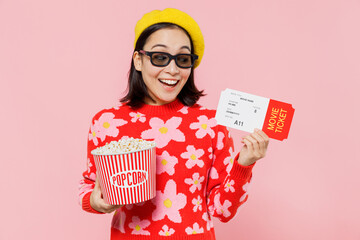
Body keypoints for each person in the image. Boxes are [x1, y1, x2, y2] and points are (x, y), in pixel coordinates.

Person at [78, 8, 270, 240]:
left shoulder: (210, 124)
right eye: (160, 57)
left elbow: (223, 210)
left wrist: (244, 163)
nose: (172, 69)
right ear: (138, 60)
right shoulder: (107, 123)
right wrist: (96, 202)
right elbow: (89, 185)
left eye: (183, 59)